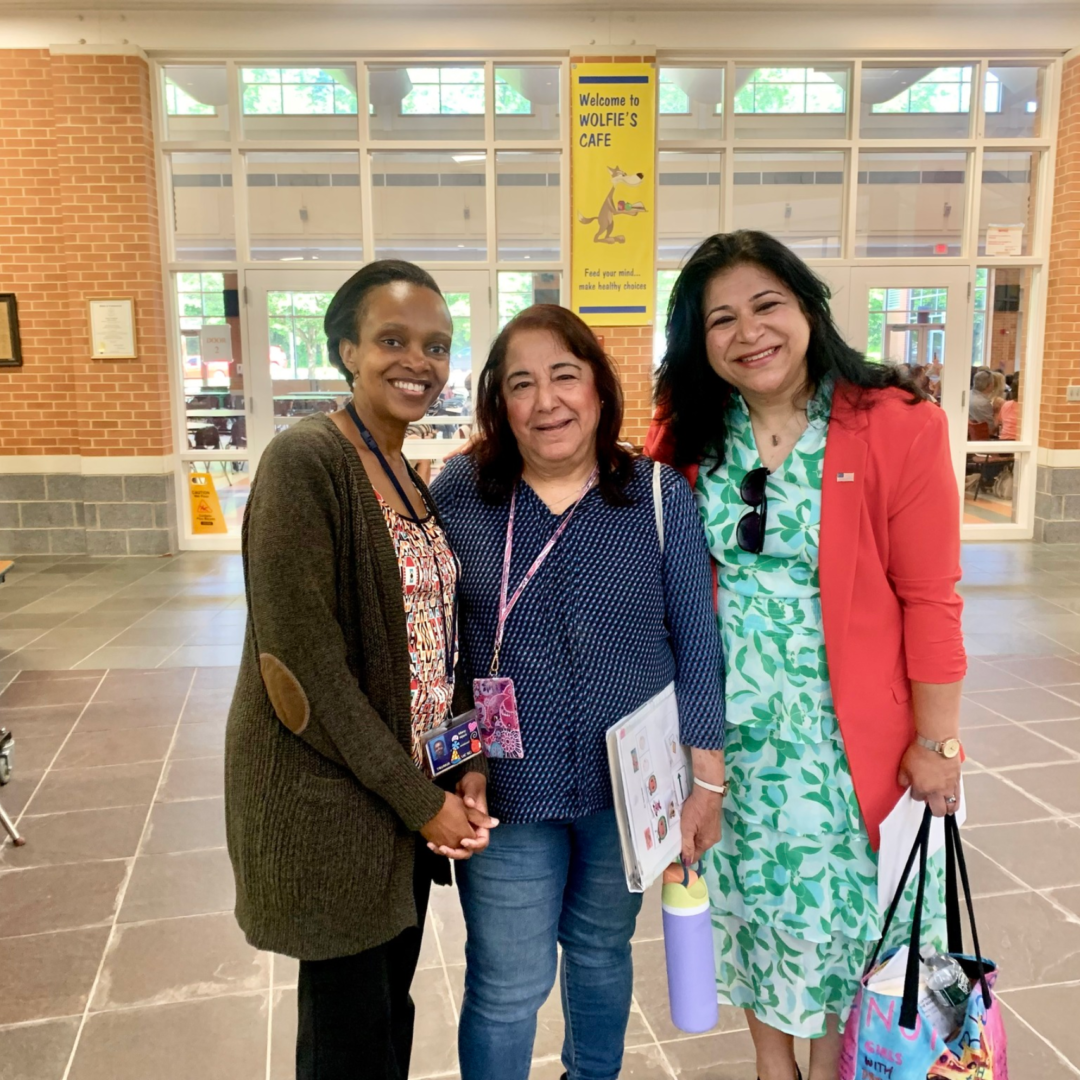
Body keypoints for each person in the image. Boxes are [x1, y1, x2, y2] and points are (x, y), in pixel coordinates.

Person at [646, 231, 966, 1080]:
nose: (749, 332)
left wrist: (937, 743)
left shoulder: (896, 425)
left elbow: (932, 597)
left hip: (844, 732)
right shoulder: (684, 439)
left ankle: (833, 1063)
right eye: (721, 319)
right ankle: (769, 1065)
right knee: (754, 905)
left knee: (842, 915)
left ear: (808, 309)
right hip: (728, 736)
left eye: (766, 305)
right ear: (698, 341)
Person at [432, 304, 726, 1080]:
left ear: (598, 388)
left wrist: (707, 785)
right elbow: (444, 653)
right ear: (499, 403)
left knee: (599, 954)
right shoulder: (463, 491)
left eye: (565, 375)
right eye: (521, 384)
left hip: (628, 793)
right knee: (507, 984)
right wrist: (458, 760)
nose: (546, 401)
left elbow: (698, 648)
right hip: (505, 792)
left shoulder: (657, 497)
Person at [224, 260, 496, 1080]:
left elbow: (431, 644)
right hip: (332, 802)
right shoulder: (307, 462)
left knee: (387, 1012)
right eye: (392, 339)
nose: (419, 361)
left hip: (398, 799)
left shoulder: (408, 476)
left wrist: (463, 761)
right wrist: (423, 803)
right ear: (345, 348)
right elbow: (301, 674)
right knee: (347, 1035)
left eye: (438, 346)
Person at [968, 368, 998, 433]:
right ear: (990, 385)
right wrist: (997, 412)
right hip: (980, 439)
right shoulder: (984, 403)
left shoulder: (967, 395)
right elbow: (991, 430)